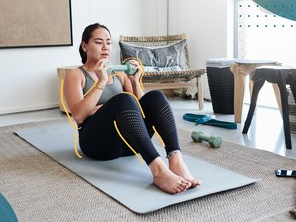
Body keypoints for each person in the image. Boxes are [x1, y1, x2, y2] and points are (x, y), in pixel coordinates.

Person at [63, 23, 201, 194]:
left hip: (130, 143)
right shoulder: (75, 75)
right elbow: (78, 115)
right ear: (85, 46)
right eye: (99, 42)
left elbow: (143, 108)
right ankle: (158, 170)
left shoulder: (120, 74)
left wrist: (135, 81)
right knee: (123, 99)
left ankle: (176, 160)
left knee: (155, 96)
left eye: (108, 42)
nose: (105, 47)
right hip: (98, 145)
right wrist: (100, 82)